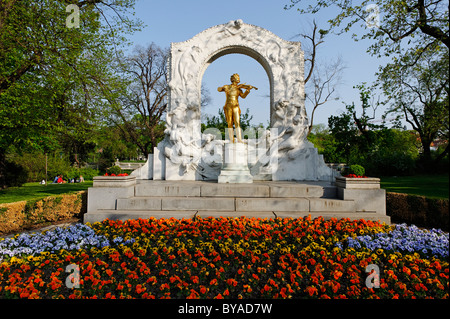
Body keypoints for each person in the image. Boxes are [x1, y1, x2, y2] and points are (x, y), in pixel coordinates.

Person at [217, 73, 257, 143]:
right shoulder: (227, 87)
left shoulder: (239, 89)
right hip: (228, 106)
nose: (238, 79)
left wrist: (248, 90)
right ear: (232, 79)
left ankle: (239, 139)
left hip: (236, 106)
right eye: (236, 78)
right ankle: (231, 139)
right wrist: (223, 88)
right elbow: (218, 89)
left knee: (237, 122)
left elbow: (243, 96)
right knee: (229, 122)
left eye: (238, 78)